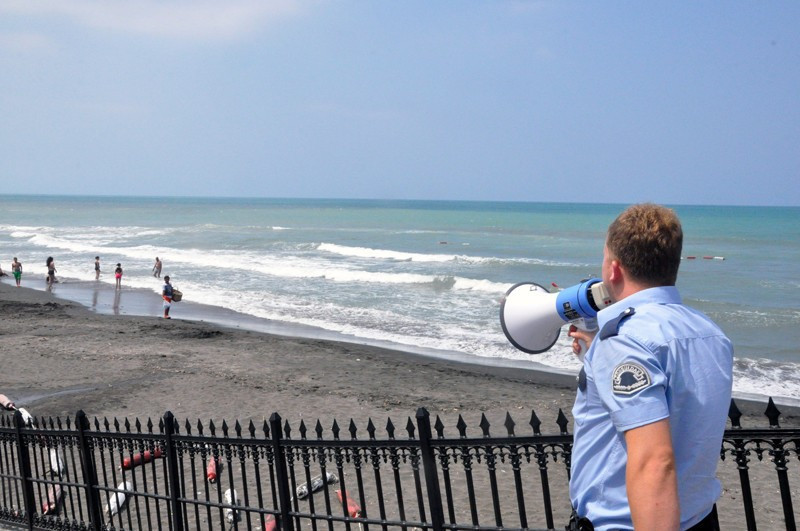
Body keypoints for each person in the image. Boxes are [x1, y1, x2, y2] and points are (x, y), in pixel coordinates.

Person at [566, 204, 733, 531]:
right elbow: (677, 400)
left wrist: (611, 348)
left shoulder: (625, 340)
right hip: (698, 519)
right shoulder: (711, 333)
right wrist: (597, 356)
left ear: (614, 269)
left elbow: (654, 463)